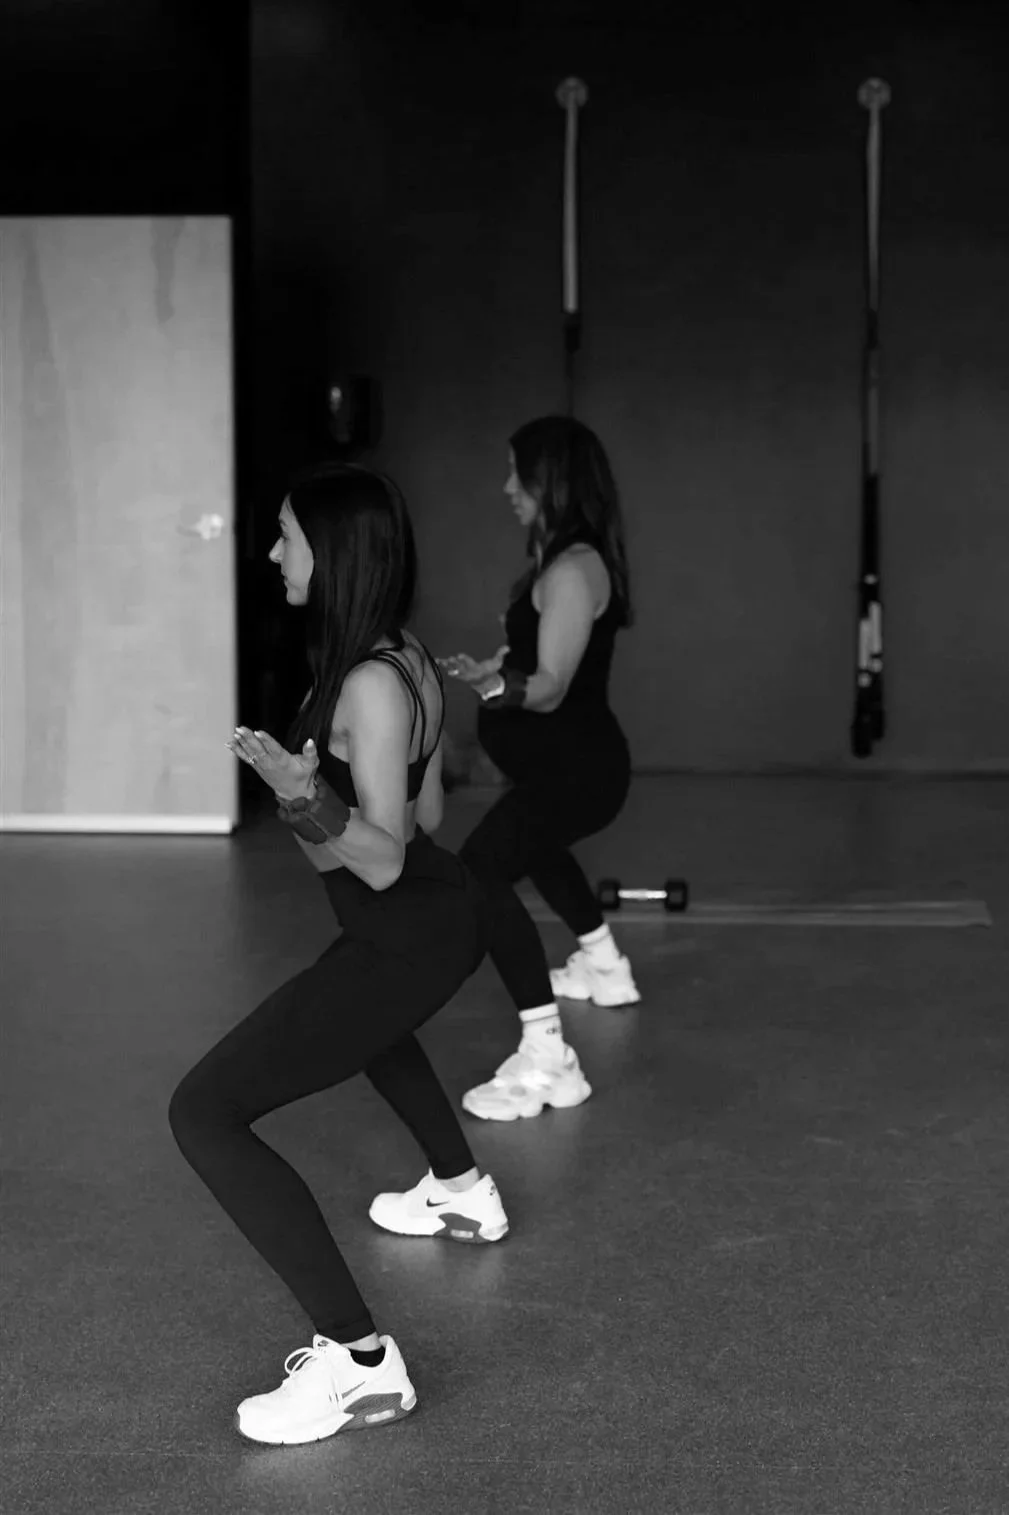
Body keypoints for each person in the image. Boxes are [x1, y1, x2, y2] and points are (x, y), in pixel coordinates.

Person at [168, 463, 509, 1447]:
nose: (272, 552)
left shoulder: (364, 681)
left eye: (285, 535)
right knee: (366, 1028)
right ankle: (458, 1187)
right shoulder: (393, 659)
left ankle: (360, 1363)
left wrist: (301, 794)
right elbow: (425, 812)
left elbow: (385, 856)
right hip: (414, 919)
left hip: (409, 924)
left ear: (334, 548)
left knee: (205, 1110)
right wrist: (316, 802)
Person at [440, 416, 640, 1123]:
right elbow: (543, 664)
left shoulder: (570, 569)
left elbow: (551, 684)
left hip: (578, 768)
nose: (506, 488)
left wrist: (498, 687)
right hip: (566, 767)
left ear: (548, 480)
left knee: (482, 872)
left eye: (515, 473)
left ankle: (547, 1057)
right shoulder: (565, 563)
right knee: (536, 847)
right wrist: (496, 668)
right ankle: (602, 964)